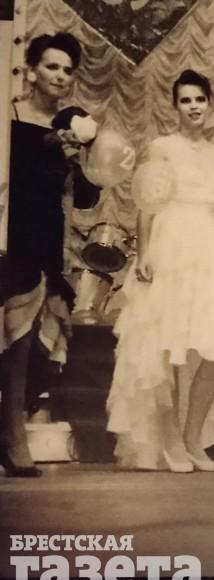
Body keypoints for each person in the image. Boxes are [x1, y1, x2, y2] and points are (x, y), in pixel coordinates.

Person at [105, 70, 214, 472]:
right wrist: (144, 253)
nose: (193, 106)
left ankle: (193, 442)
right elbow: (146, 203)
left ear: (210, 103)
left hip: (209, 251)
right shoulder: (162, 148)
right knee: (167, 348)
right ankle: (171, 442)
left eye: (199, 99)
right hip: (170, 245)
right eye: (185, 100)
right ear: (176, 106)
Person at [1, 32, 100, 477]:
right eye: (51, 66)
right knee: (14, 342)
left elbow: (87, 198)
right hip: (11, 234)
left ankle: (10, 432)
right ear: (31, 70)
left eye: (67, 70)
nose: (60, 76)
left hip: (48, 240)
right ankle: (13, 439)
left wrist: (78, 157)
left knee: (37, 346)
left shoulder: (72, 126)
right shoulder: (9, 117)